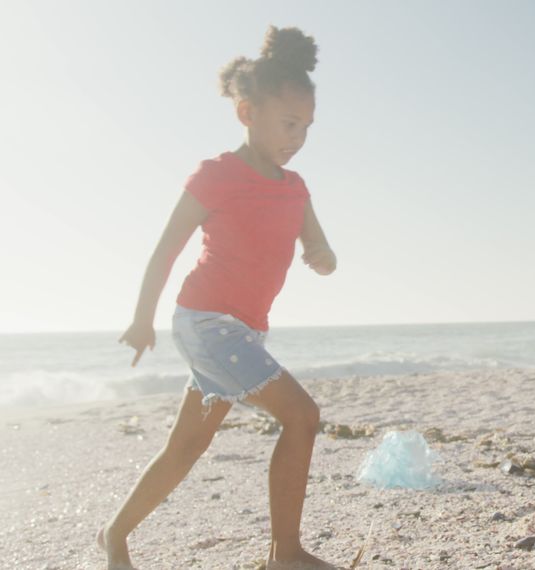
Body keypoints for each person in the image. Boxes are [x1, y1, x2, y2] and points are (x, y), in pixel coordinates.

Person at [99, 27, 339, 570]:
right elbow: (165, 250)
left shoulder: (295, 186)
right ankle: (287, 554)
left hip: (243, 329)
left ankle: (113, 535)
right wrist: (142, 320)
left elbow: (317, 242)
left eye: (306, 126)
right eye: (287, 123)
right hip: (206, 322)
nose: (297, 137)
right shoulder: (216, 176)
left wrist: (323, 257)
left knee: (186, 446)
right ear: (247, 113)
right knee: (302, 415)